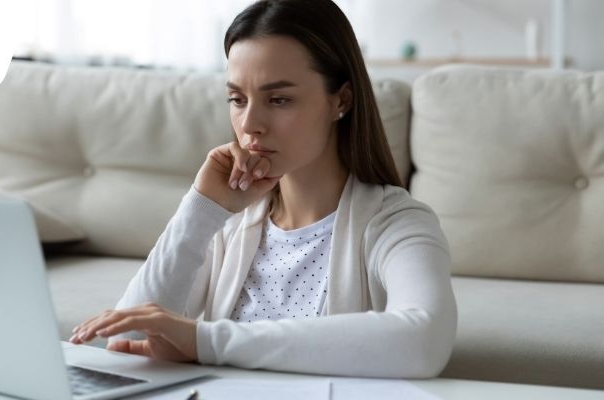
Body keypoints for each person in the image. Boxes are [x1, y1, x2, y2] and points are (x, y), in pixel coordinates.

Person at [69, 0, 457, 378]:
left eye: (279, 99)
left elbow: (424, 340)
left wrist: (206, 342)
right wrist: (201, 209)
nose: (249, 123)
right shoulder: (227, 224)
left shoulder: (396, 223)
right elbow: (125, 340)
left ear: (341, 100)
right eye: (237, 99)